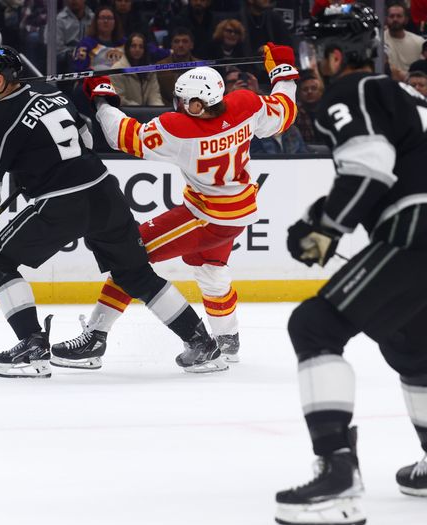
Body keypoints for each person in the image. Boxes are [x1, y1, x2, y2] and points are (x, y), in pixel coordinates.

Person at [275, 5, 427, 525]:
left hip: (422, 217)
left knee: (314, 325)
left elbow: (370, 170)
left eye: (316, 55)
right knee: (410, 345)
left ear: (333, 55)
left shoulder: (349, 92)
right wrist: (318, 221)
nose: (313, 66)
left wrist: (322, 229)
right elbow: (394, 163)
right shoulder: (406, 93)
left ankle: (336, 475)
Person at [0, 46, 225, 378]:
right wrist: (37, 162)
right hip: (105, 192)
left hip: (62, 203)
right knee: (135, 274)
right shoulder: (50, 92)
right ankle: (202, 344)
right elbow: (86, 139)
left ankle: (32, 347)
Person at [50, 43, 299, 369]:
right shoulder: (245, 104)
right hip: (240, 210)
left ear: (199, 103)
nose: (180, 105)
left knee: (128, 255)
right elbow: (284, 110)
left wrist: (102, 99)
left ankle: (96, 338)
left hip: (206, 216)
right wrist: (283, 70)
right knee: (211, 269)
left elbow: (122, 136)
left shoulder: (179, 129)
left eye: (185, 101)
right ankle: (228, 340)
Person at [109, 33, 164, 106]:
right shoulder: (117, 70)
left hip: (146, 113)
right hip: (124, 113)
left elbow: (154, 97)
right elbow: (120, 99)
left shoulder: (150, 71)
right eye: (133, 46)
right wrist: (139, 110)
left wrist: (159, 113)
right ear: (127, 48)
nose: (137, 49)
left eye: (141, 47)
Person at [72, 5, 125, 72]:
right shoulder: (85, 44)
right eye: (102, 18)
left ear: (115, 22)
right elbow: (80, 70)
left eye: (109, 18)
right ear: (96, 21)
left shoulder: (125, 43)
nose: (106, 21)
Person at [156, 27, 199, 107]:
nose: (180, 45)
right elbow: (157, 95)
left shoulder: (201, 67)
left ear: (191, 45)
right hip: (167, 109)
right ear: (171, 45)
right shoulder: (160, 67)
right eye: (176, 41)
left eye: (185, 41)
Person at [385, 2, 425, 82]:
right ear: (386, 19)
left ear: (406, 20)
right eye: (392, 16)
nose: (395, 19)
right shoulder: (378, 41)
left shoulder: (419, 42)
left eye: (399, 16)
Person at [55, 0, 94, 73]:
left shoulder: (93, 18)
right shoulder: (59, 20)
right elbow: (57, 50)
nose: (74, 1)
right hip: (67, 60)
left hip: (92, 56)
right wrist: (75, 53)